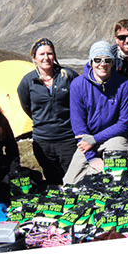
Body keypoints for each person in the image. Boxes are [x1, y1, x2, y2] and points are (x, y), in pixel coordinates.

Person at [63, 41, 128, 185]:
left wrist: (94, 139)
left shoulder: (124, 84)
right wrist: (91, 158)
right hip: (88, 139)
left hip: (114, 136)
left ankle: (126, 158)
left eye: (108, 60)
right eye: (97, 60)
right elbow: (78, 125)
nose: (103, 64)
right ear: (91, 61)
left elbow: (125, 123)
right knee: (69, 182)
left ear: (113, 62)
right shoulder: (78, 84)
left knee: (113, 174)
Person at [17, 38, 79, 185]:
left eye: (50, 53)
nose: (46, 58)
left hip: (68, 139)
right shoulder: (28, 81)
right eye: (42, 54)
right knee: (53, 180)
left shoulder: (68, 76)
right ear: (34, 58)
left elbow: (81, 102)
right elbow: (27, 106)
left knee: (74, 179)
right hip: (42, 141)